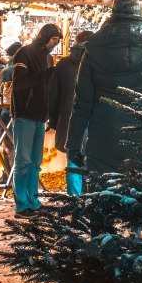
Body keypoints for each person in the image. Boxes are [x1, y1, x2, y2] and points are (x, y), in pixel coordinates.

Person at [66, 0, 142, 189]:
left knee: (102, 202)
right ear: (139, 10)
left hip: (103, 138)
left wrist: (73, 144)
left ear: (114, 9)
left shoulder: (93, 46)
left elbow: (81, 102)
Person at [8, 22, 62, 215]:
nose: (56, 43)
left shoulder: (47, 58)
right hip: (24, 114)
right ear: (46, 37)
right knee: (23, 161)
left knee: (35, 162)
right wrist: (45, 76)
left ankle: (33, 199)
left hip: (40, 116)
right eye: (54, 39)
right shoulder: (25, 53)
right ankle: (22, 203)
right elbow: (19, 83)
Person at [47, 29, 91, 194]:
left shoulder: (64, 64)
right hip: (91, 118)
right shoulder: (96, 62)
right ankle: (89, 195)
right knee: (92, 158)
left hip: (69, 118)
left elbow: (54, 95)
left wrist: (53, 119)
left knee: (73, 157)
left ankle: (74, 197)